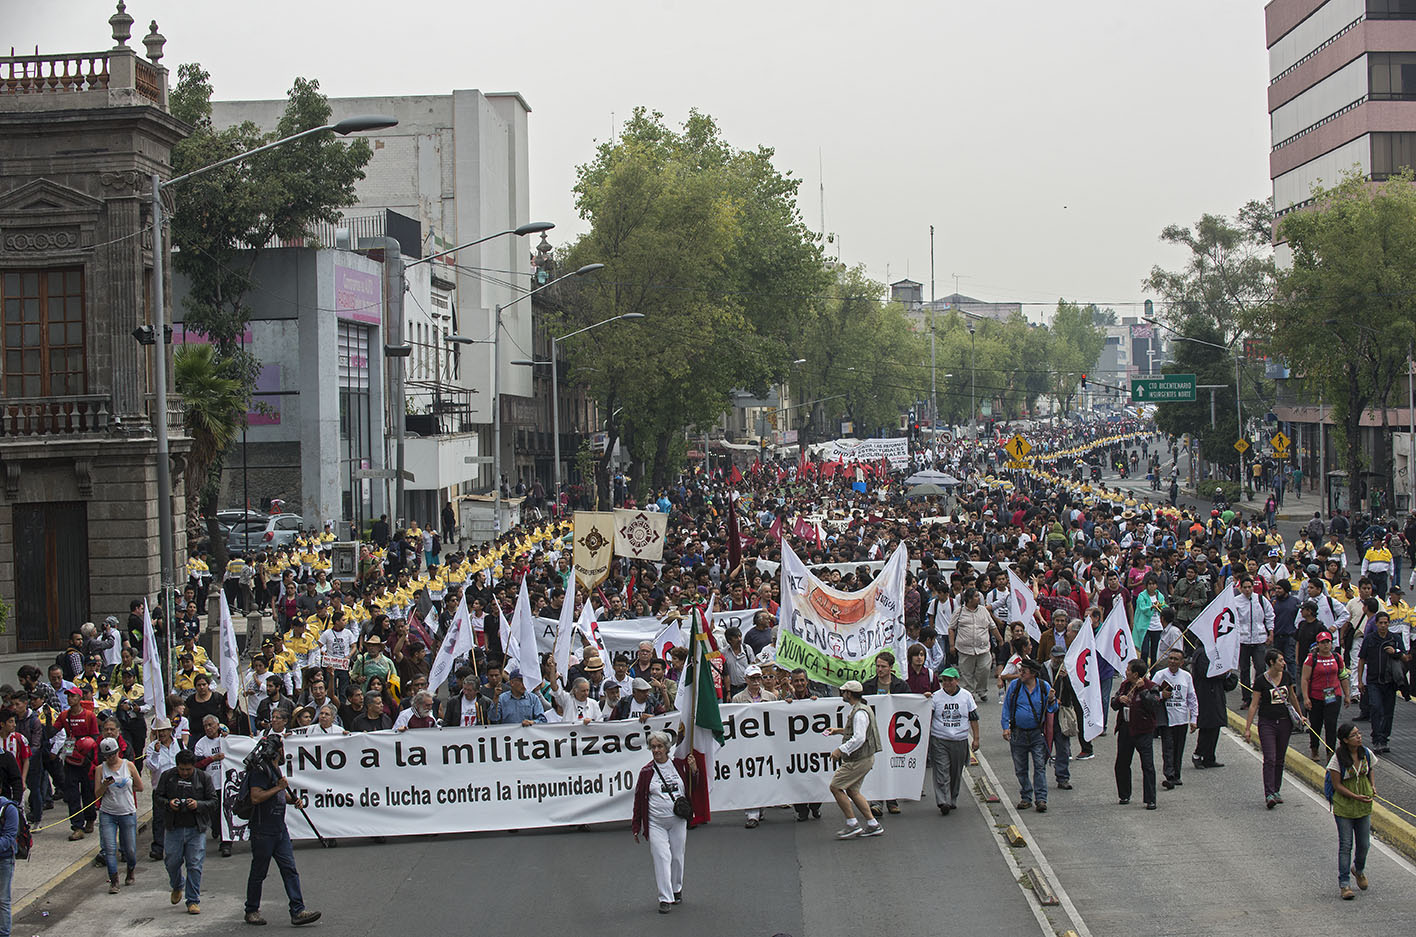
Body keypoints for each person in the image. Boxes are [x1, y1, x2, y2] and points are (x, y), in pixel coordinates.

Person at [244, 733, 321, 926]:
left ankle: (298, 910)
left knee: (290, 870)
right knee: (259, 871)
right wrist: (279, 788)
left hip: (279, 829)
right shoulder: (260, 771)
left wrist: (292, 799)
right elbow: (256, 797)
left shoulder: (274, 768)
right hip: (263, 830)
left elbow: (275, 796)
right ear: (280, 749)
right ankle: (251, 910)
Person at [631, 730, 690, 914]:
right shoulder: (646, 772)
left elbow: (693, 787)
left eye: (660, 746)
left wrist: (694, 770)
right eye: (653, 747)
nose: (656, 750)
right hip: (656, 822)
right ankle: (665, 897)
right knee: (662, 857)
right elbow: (639, 799)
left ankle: (676, 888)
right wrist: (636, 826)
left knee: (677, 857)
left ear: (667, 748)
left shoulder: (679, 766)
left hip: (677, 821)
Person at [156, 749, 215, 915]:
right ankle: (177, 885)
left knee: (195, 864)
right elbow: (158, 798)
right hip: (173, 828)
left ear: (194, 766)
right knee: (171, 862)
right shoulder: (167, 777)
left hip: (196, 829)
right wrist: (169, 804)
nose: (185, 773)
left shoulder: (204, 778)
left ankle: (193, 900)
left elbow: (213, 801)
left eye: (188, 769)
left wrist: (198, 805)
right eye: (181, 769)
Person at [1243, 648, 1302, 808]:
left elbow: (1292, 697)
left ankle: (1276, 790)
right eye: (1280, 661)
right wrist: (1248, 728)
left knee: (1280, 758)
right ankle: (1269, 793)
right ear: (1271, 663)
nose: (1283, 663)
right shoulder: (1261, 681)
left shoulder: (1287, 676)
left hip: (1285, 722)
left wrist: (1300, 715)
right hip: (1267, 723)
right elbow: (1254, 705)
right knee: (1269, 758)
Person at [1326, 722, 1376, 900]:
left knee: (1364, 844)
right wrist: (1355, 797)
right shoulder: (1337, 759)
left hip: (1363, 805)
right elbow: (1337, 785)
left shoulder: (1366, 754)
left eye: (1359, 733)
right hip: (1345, 806)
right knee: (1346, 845)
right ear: (1346, 740)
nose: (1359, 737)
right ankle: (1345, 884)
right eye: (1354, 735)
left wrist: (1372, 786)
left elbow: (1370, 770)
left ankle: (1359, 869)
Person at [827, 681, 882, 839]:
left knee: (836, 787)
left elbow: (859, 737)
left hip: (859, 759)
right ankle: (872, 824)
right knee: (852, 790)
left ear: (849, 694)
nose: (842, 694)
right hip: (865, 758)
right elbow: (857, 731)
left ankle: (852, 824)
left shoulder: (859, 713)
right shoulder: (861, 710)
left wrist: (840, 750)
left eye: (844, 691)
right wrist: (838, 731)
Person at [1001, 657, 1055, 813]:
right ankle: (1026, 796)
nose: (1020, 673)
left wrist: (1051, 700)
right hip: (1018, 734)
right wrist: (1006, 727)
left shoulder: (1044, 687)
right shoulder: (1015, 687)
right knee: (1020, 768)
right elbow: (1006, 707)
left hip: (1037, 734)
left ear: (1032, 673)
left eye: (1023, 671)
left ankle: (1041, 799)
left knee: (1039, 766)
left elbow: (1052, 709)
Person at [928, 667, 979, 815]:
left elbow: (973, 718)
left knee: (956, 772)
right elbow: (928, 717)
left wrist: (976, 739)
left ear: (957, 680)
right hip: (940, 739)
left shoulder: (966, 696)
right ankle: (943, 800)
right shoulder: (936, 697)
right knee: (941, 770)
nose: (947, 683)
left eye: (950, 680)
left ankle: (952, 797)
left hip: (960, 739)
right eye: (944, 680)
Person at [1356, 610, 1408, 754]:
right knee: (1376, 708)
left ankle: (1384, 739)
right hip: (1373, 681)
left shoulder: (1395, 638)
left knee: (1388, 712)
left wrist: (1395, 651)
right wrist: (1360, 680)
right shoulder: (1370, 639)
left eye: (1386, 623)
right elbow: (1361, 660)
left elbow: (1405, 657)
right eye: (1381, 623)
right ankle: (1377, 738)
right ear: (1376, 624)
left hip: (1390, 682)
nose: (1383, 626)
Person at [94, 736, 141, 894]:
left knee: (130, 849)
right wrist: (104, 785)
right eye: (107, 756)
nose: (110, 758)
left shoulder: (128, 765)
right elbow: (97, 794)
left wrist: (125, 785)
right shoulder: (100, 769)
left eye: (113, 754)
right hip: (108, 813)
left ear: (118, 752)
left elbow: (139, 787)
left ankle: (130, 869)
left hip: (127, 812)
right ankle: (114, 880)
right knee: (109, 848)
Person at [1113, 658, 1160, 810]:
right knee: (1122, 763)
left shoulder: (1151, 687)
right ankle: (1124, 794)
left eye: (1128, 670)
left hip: (1143, 730)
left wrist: (1142, 691)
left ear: (1136, 674)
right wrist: (1120, 699)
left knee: (1147, 765)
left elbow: (1153, 705)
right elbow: (1114, 704)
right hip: (1126, 729)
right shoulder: (1124, 685)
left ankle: (1150, 799)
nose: (1126, 672)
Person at [1151, 646, 1198, 790]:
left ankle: (1176, 775)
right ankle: (1169, 775)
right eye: (1170, 658)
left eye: (1176, 659)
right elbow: (1149, 695)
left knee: (1179, 748)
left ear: (1181, 662)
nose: (1172, 661)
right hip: (1166, 719)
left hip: (1181, 718)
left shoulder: (1186, 676)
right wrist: (1160, 695)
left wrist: (1194, 718)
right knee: (1168, 748)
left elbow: (1191, 698)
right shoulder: (1159, 675)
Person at [1301, 631, 1350, 760]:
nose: (1326, 645)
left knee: (1331, 724)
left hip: (1333, 695)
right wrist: (1306, 698)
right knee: (1316, 724)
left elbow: (1343, 676)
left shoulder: (1337, 657)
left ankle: (1330, 751)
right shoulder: (1312, 659)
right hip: (1316, 696)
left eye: (1328, 642)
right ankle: (1314, 748)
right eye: (1323, 642)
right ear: (1318, 644)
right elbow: (1305, 679)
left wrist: (1347, 695)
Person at [143, 717, 180, 860]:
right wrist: (157, 752)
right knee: (159, 819)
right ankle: (158, 847)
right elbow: (152, 767)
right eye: (159, 731)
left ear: (170, 730)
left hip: (177, 787)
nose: (162, 733)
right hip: (160, 788)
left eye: (165, 730)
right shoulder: (152, 747)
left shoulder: (179, 744)